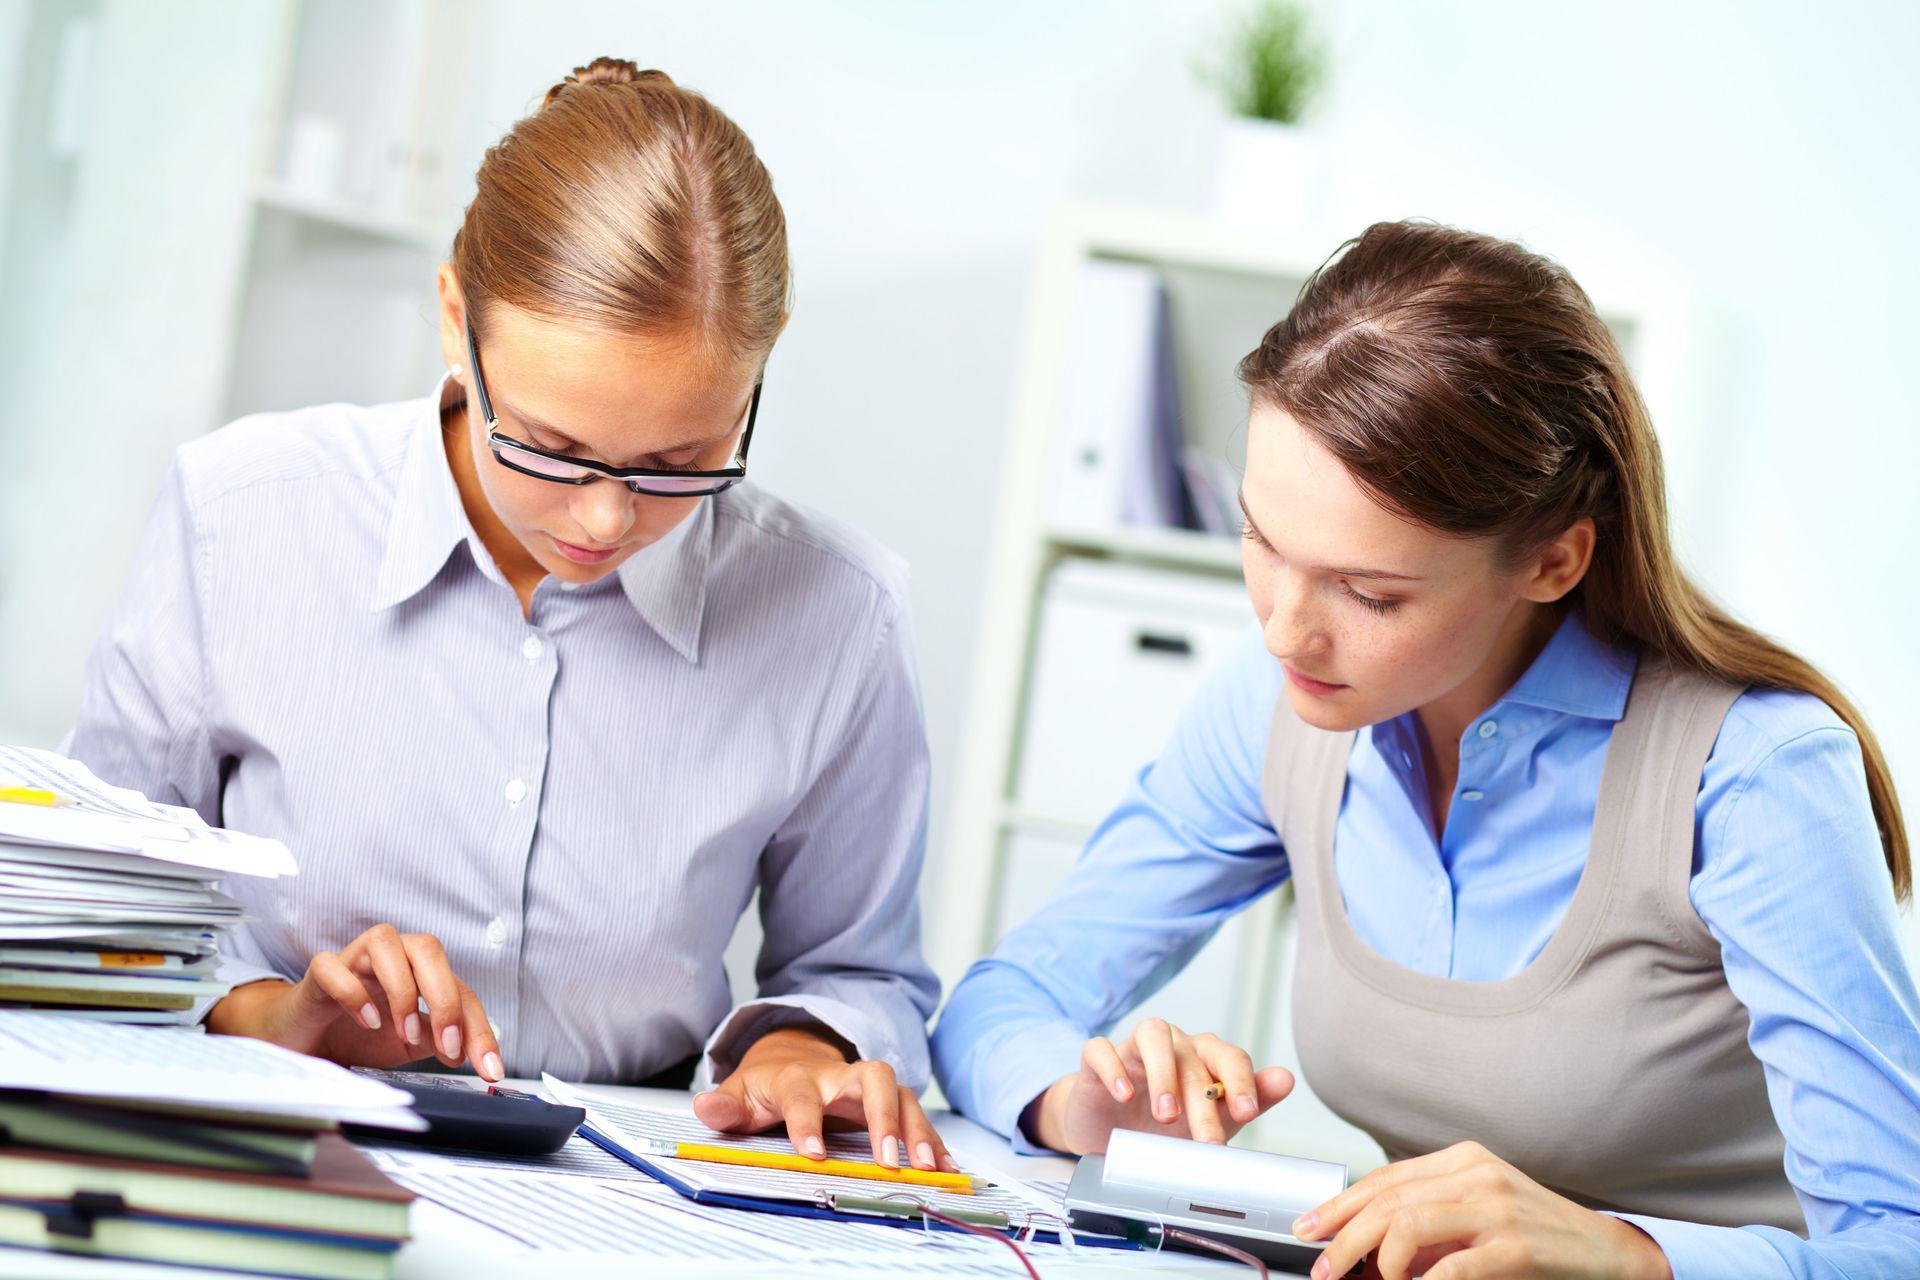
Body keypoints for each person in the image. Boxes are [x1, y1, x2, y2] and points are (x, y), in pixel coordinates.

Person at [933, 221, 1920, 1275]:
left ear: (1551, 561)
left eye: (1368, 592)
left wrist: (1626, 1254)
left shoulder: (1753, 775)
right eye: (1262, 538)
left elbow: (1898, 1242)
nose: (1283, 629)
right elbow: (1002, 1000)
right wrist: (1083, 1104)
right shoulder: (1275, 705)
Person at [68, 58, 955, 1174]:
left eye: (680, 461)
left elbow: (862, 972)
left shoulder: (839, 617)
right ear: (455, 321)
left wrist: (795, 1045)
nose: (605, 516)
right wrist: (264, 1012)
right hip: (268, 1144)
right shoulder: (241, 515)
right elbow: (75, 917)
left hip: (631, 1197)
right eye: (551, 445)